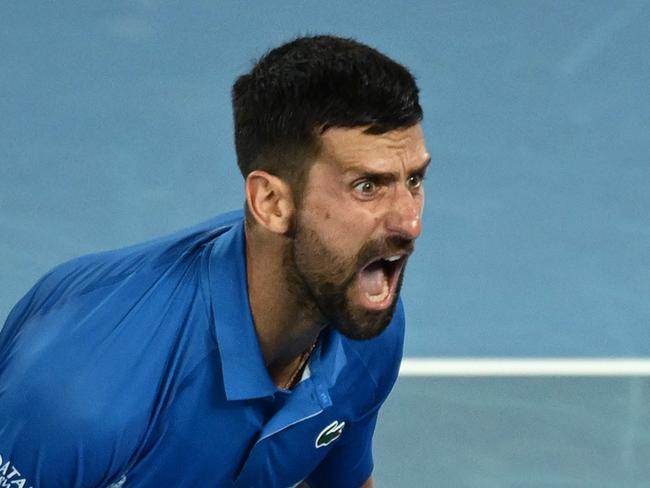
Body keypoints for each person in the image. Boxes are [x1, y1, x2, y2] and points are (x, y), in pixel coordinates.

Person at [0, 35, 429, 487]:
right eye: (368, 187)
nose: (410, 223)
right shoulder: (83, 394)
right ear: (272, 203)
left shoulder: (363, 324)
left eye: (415, 180)